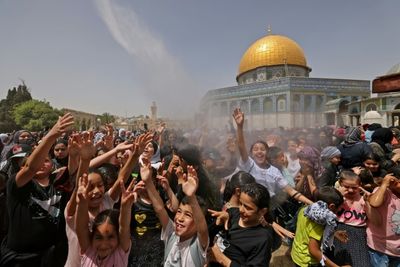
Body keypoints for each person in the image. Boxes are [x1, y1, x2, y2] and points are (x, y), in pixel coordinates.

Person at [0, 113, 74, 267]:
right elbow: (30, 168)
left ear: (52, 165)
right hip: (21, 260)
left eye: (45, 161)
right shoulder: (16, 184)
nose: (41, 164)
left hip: (51, 257)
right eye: (36, 160)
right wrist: (51, 135)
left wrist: (83, 157)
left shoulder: (57, 183)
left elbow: (75, 173)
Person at [232, 108, 312, 206]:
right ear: (252, 154)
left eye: (262, 149)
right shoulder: (249, 164)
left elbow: (291, 191)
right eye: (256, 149)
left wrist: (311, 203)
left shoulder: (274, 171)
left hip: (268, 209)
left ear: (267, 153)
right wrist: (240, 126)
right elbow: (241, 146)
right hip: (249, 208)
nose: (259, 152)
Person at [141, 159, 209, 266]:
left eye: (187, 215)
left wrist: (192, 198)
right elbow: (159, 209)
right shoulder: (172, 234)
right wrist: (148, 182)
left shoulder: (198, 245)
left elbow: (202, 229)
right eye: (179, 212)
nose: (180, 218)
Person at [209, 182, 277, 266]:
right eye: (240, 203)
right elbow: (207, 236)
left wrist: (221, 258)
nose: (241, 209)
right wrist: (217, 224)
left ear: (262, 211)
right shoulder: (232, 213)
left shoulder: (262, 239)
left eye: (248, 208)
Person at [75, 175, 134, 266]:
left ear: (118, 238)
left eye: (110, 237)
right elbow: (81, 228)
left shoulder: (120, 252)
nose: (104, 245)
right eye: (98, 238)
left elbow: (124, 227)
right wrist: (82, 204)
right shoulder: (89, 251)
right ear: (91, 238)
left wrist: (125, 208)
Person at [291, 187, 346, 267]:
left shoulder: (305, 209)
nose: (340, 209)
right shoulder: (319, 223)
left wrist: (334, 233)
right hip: (307, 261)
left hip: (297, 254)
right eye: (339, 208)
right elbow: (314, 250)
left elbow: (307, 231)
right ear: (332, 206)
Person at [334, 170, 371, 267]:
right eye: (346, 187)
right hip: (338, 228)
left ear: (360, 185)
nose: (350, 190)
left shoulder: (363, 199)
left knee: (360, 261)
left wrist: (367, 200)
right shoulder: (335, 197)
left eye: (354, 187)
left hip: (358, 231)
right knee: (340, 260)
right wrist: (339, 195)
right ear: (340, 183)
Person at [366, 172, 400, 266]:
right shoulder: (383, 192)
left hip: (397, 251)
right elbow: (374, 203)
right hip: (380, 248)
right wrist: (384, 184)